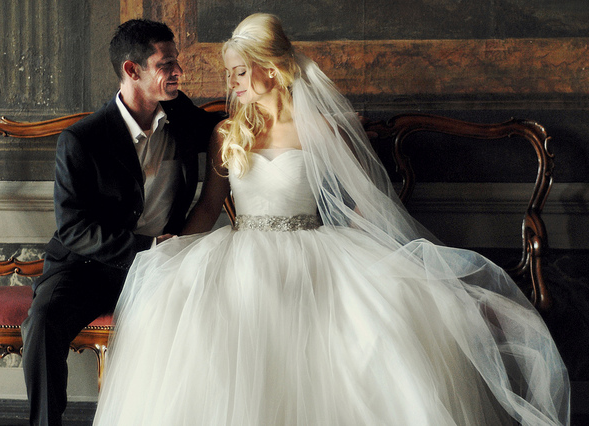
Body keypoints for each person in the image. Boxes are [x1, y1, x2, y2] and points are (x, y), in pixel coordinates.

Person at [93, 13, 570, 425]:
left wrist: (378, 251)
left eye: (241, 72)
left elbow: (362, 199)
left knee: (363, 335)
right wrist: (171, 248)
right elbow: (208, 205)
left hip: (313, 246)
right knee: (209, 323)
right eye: (231, 73)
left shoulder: (320, 129)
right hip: (241, 248)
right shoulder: (227, 132)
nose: (232, 84)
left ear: (273, 69)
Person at [21, 19, 221, 426]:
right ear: (132, 70)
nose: (178, 71)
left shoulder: (180, 114)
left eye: (176, 61)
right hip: (88, 268)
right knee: (42, 323)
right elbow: (74, 228)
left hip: (163, 268)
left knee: (217, 309)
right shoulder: (82, 139)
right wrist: (146, 248)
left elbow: (227, 129)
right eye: (166, 64)